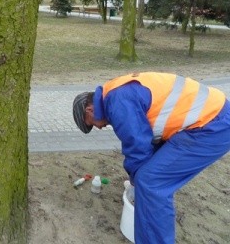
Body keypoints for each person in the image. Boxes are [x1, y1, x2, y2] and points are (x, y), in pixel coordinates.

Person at [72, 72, 230, 244]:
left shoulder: (117, 101)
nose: (98, 128)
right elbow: (148, 140)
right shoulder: (116, 92)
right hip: (211, 118)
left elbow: (137, 146)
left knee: (151, 181)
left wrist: (136, 181)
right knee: (149, 176)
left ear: (90, 110)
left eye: (91, 124)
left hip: (212, 125)